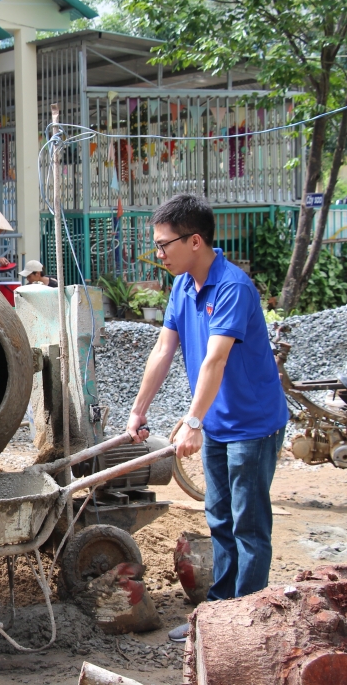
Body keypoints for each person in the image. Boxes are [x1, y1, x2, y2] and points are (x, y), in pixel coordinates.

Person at [122, 193, 288, 642]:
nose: (159, 254)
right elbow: (163, 350)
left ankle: (245, 624)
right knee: (219, 517)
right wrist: (138, 411)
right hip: (217, 422)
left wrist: (192, 420)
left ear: (195, 241)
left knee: (248, 524)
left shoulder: (232, 287)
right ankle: (219, 612)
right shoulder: (181, 287)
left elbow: (215, 361)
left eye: (164, 245)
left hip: (252, 424)